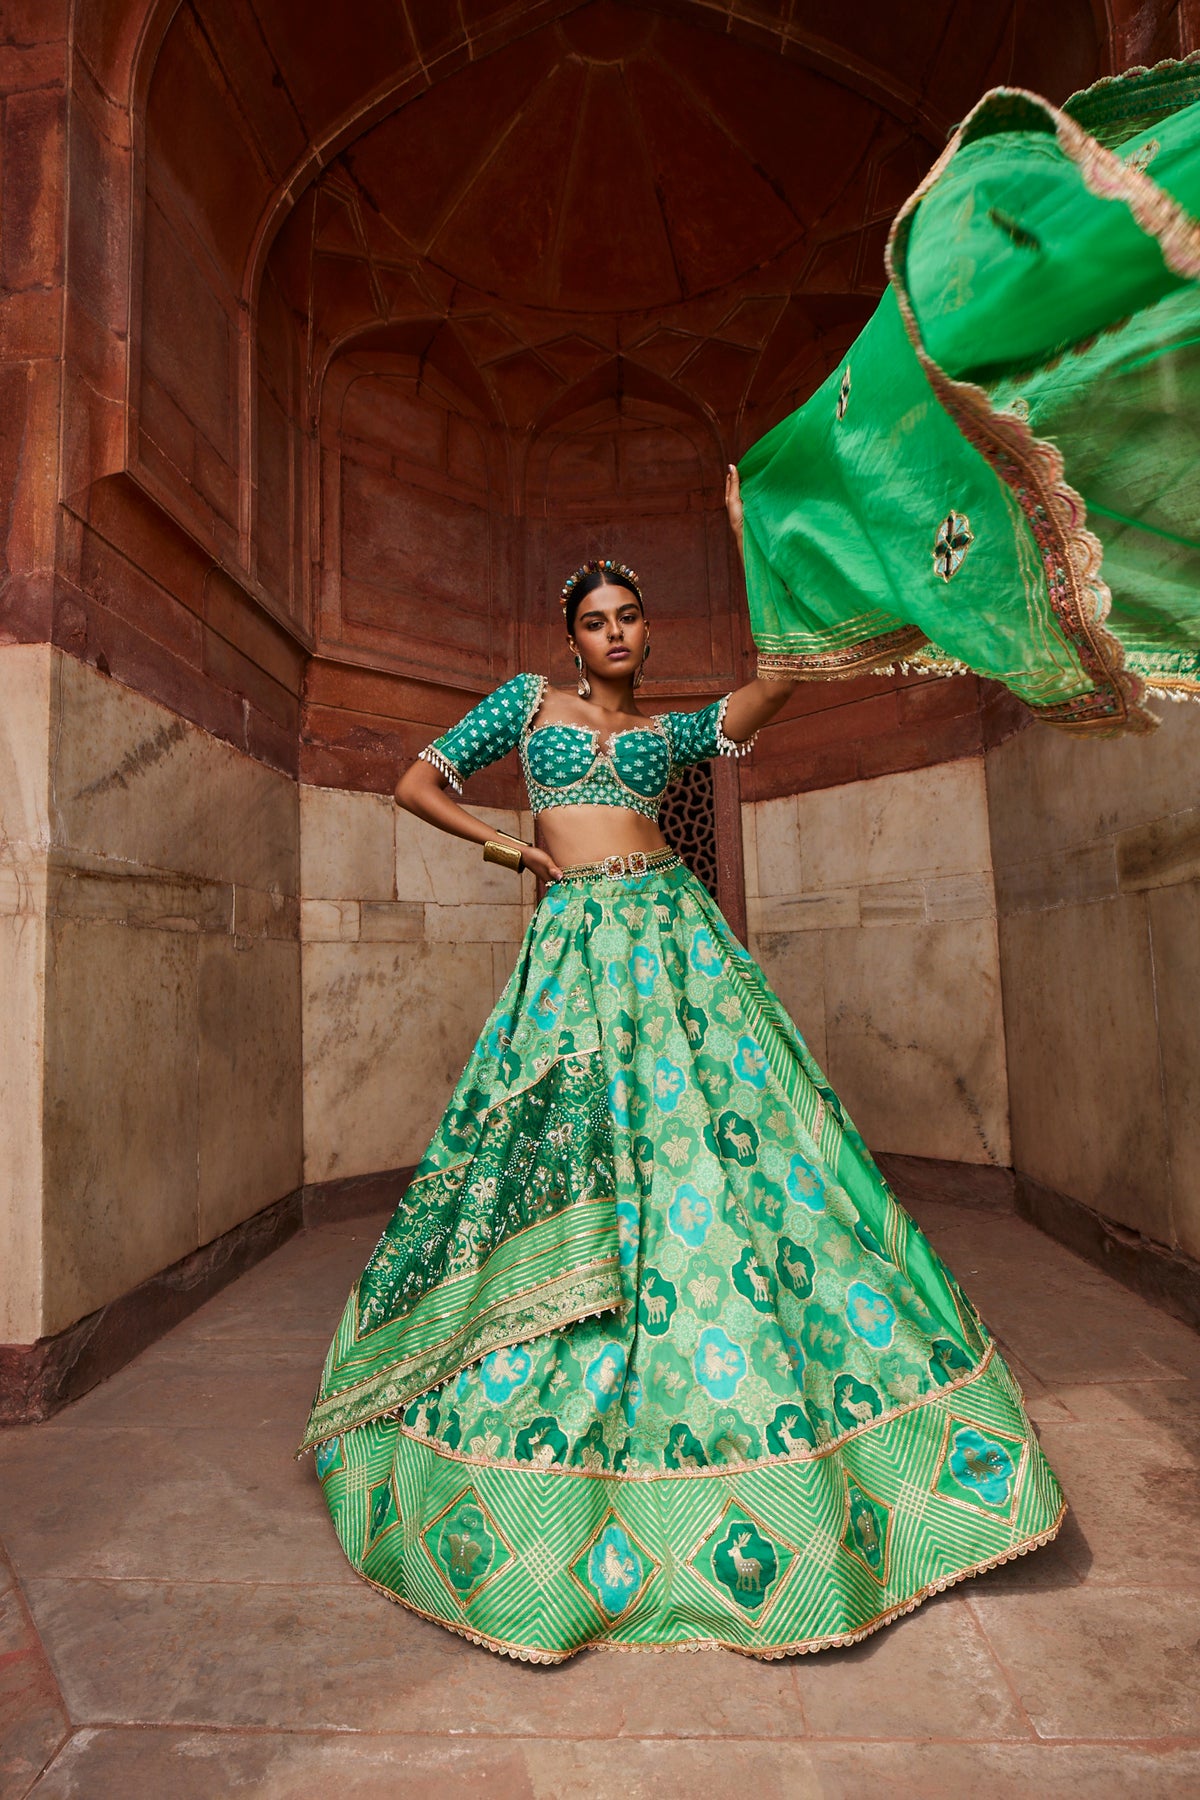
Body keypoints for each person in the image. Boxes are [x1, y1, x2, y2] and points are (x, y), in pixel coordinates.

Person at [300, 472, 1064, 1662]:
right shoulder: (527, 705)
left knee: (737, 1157)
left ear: (648, 631)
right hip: (574, 953)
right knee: (541, 1161)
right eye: (596, 619)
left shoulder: (667, 735)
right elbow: (415, 781)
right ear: (573, 636)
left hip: (676, 939)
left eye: (629, 618)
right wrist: (512, 849)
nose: (614, 634)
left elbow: (774, 689)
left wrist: (755, 544)